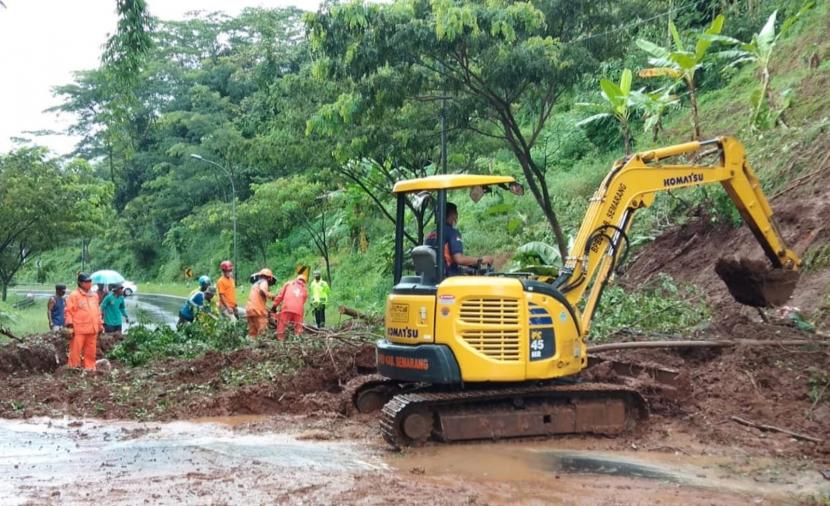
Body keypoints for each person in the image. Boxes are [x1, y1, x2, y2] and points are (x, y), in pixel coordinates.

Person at [425, 202, 494, 276]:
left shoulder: (430, 235)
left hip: (431, 278)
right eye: (456, 214)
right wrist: (481, 260)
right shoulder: (452, 233)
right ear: (453, 215)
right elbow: (459, 259)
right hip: (448, 277)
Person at [64, 272, 103, 370]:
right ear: (80, 283)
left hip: (93, 329)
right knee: (75, 351)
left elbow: (97, 312)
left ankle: (89, 368)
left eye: (90, 281)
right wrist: (70, 327)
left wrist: (100, 325)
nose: (89, 283)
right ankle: (74, 369)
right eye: (86, 281)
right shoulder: (74, 296)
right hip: (79, 330)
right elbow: (69, 311)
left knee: (91, 351)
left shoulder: (94, 296)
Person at [272, 275, 308, 341]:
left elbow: (280, 296)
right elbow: (303, 301)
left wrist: (274, 306)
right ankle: (297, 341)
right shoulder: (305, 290)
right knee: (298, 329)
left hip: (287, 308)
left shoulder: (288, 284)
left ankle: (280, 341)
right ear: (304, 282)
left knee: (281, 327)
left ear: (296, 279)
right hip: (299, 311)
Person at [246, 268, 276, 337]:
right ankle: (263, 346)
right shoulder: (264, 282)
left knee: (252, 333)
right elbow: (263, 290)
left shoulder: (255, 285)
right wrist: (272, 296)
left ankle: (251, 346)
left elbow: (256, 299)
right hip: (258, 311)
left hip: (249, 310)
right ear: (269, 278)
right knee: (263, 331)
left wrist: (266, 308)